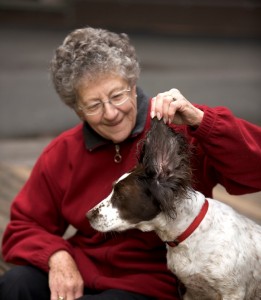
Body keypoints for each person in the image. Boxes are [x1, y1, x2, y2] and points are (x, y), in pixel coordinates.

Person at [0, 26, 261, 300]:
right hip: (83, 267)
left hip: (150, 282)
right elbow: (24, 226)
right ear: (76, 110)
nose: (111, 113)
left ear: (133, 86)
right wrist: (56, 256)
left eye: (117, 96)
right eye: (93, 105)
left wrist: (202, 122)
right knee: (16, 284)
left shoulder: (178, 133)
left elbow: (255, 171)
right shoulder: (62, 152)